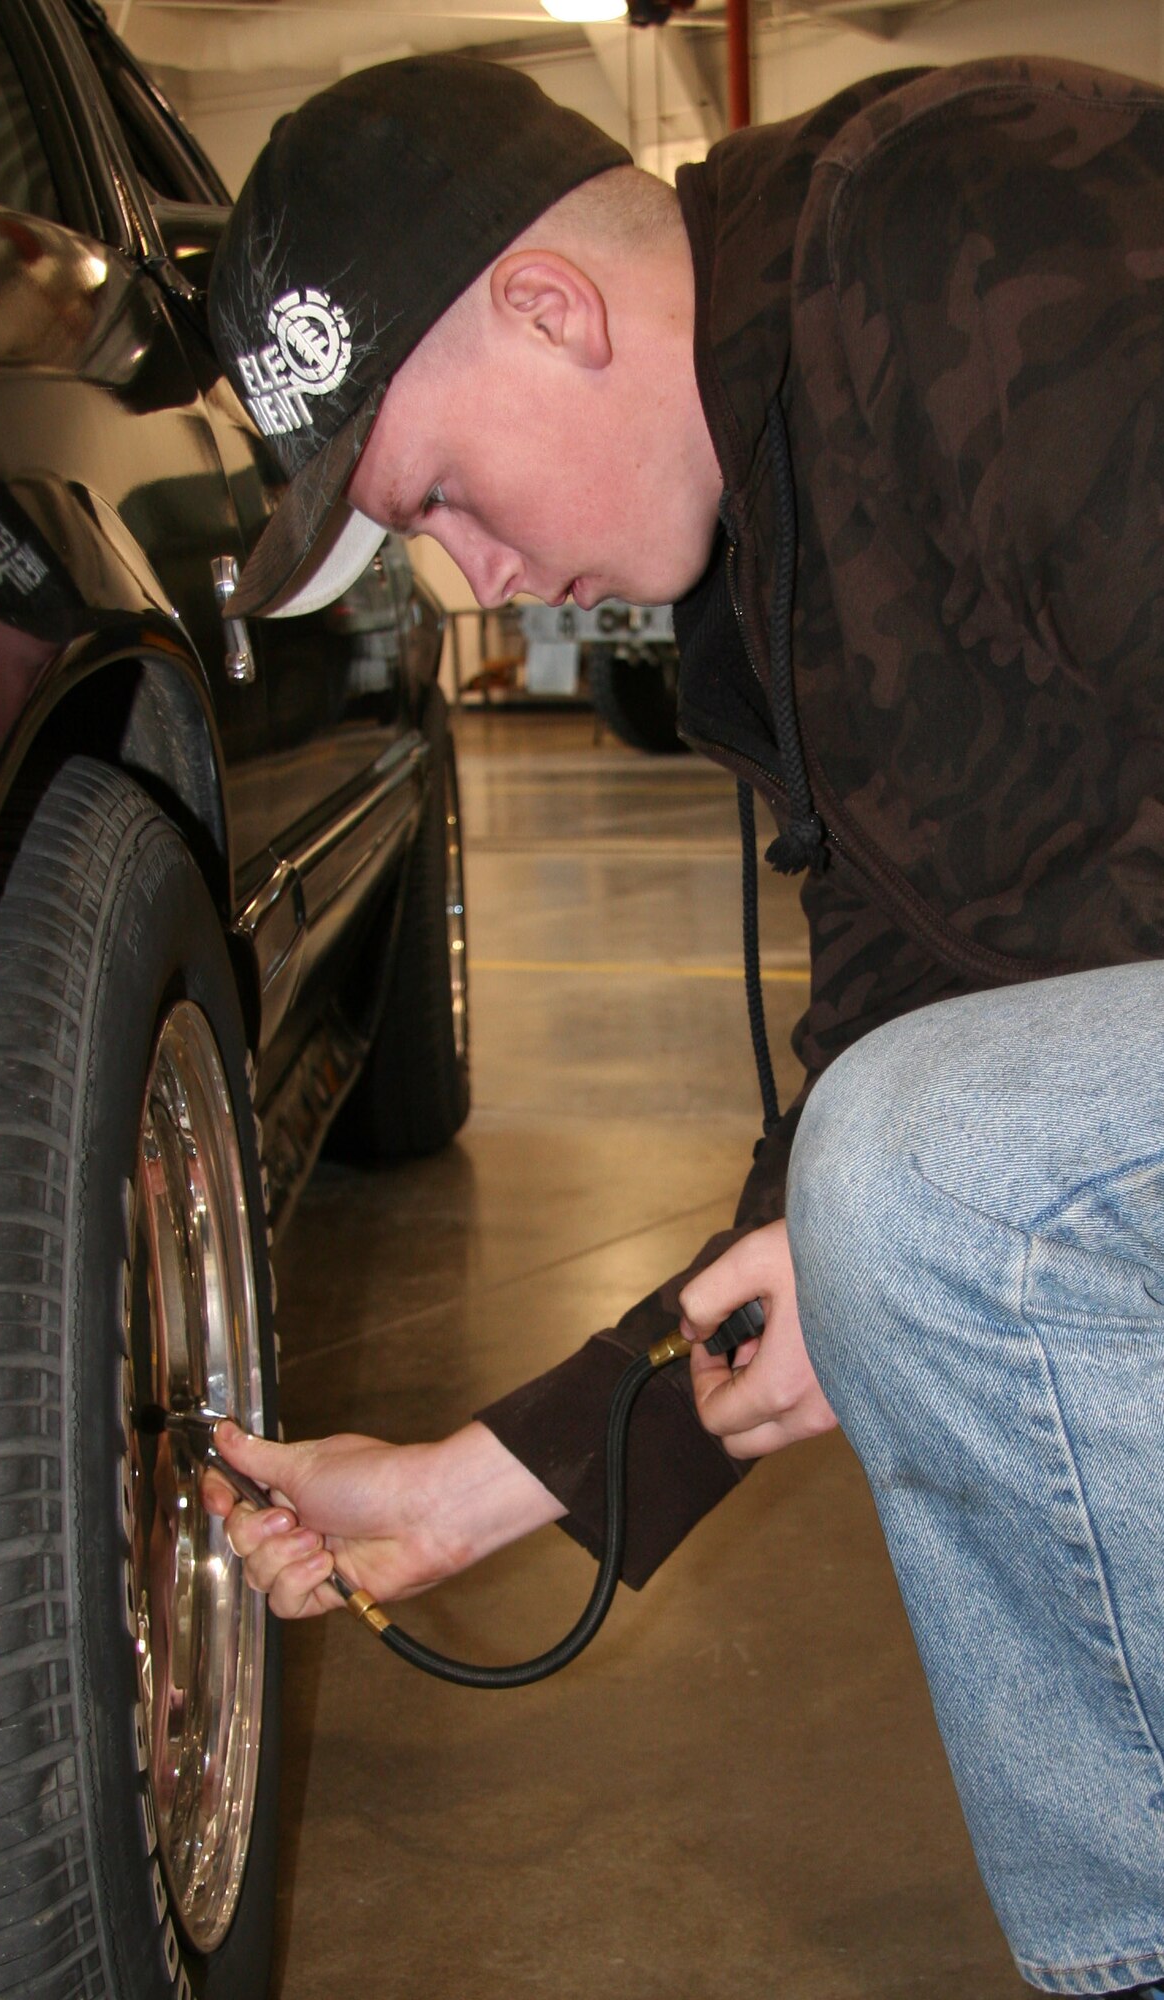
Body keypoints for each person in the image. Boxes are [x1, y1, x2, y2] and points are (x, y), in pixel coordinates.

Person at [204, 52, 1164, 1995]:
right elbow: (865, 1107)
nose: (468, 578)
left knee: (923, 1190)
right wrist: (467, 1487)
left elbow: (922, 1171)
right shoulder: (770, 568)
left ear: (553, 314)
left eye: (443, 497)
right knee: (889, 1187)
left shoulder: (969, 225)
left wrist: (877, 1218)